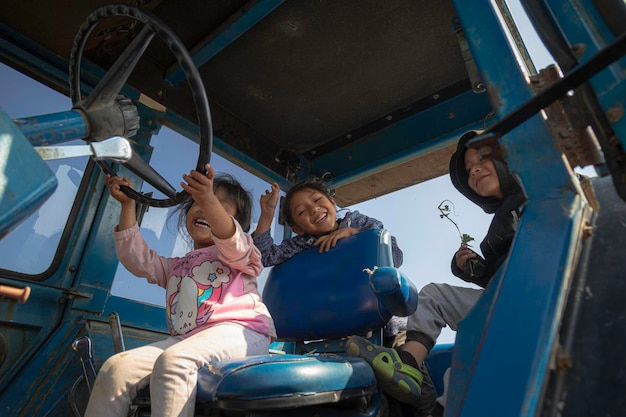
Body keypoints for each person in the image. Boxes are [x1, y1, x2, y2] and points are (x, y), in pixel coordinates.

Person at [346, 130, 527, 417]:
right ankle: (408, 364)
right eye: (468, 170)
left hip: (536, 298)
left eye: (483, 158)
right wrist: (470, 269)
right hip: (502, 303)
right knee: (432, 299)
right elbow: (496, 275)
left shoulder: (539, 192)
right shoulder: (495, 230)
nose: (475, 169)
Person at [84, 164, 276, 417]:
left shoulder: (242, 252)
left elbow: (231, 237)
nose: (203, 207)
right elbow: (138, 260)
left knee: (176, 361)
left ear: (236, 223)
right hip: (188, 340)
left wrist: (208, 198)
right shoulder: (178, 267)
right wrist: (128, 206)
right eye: (196, 202)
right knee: (116, 369)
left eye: (217, 205)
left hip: (241, 331)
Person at [252, 177, 403, 268]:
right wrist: (267, 213)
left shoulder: (356, 221)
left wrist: (355, 235)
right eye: (301, 211)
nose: (314, 209)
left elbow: (394, 256)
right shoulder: (302, 244)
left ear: (332, 202)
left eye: (317, 200)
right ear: (297, 229)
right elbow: (263, 257)